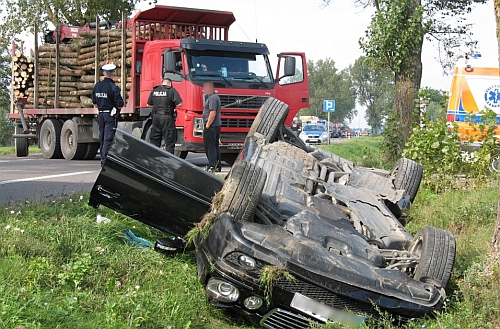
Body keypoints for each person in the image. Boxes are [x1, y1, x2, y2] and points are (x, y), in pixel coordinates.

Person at [91, 63, 124, 167]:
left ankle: (102, 159)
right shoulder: (113, 87)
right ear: (113, 73)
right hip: (110, 115)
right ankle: (105, 162)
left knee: (102, 138)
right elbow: (120, 104)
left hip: (100, 115)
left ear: (104, 73)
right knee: (108, 139)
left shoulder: (97, 86)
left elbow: (94, 102)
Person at [147, 77, 183, 153]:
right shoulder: (171, 90)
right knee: (169, 141)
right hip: (167, 118)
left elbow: (148, 104)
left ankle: (154, 159)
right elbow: (180, 104)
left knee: (155, 141)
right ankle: (169, 161)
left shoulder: (155, 90)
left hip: (156, 118)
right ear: (170, 84)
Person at [202, 81, 222, 172]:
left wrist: (207, 125)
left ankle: (212, 165)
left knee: (210, 146)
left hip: (212, 126)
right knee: (215, 146)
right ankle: (217, 166)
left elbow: (212, 113)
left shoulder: (213, 98)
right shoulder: (213, 97)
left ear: (212, 88)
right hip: (216, 125)